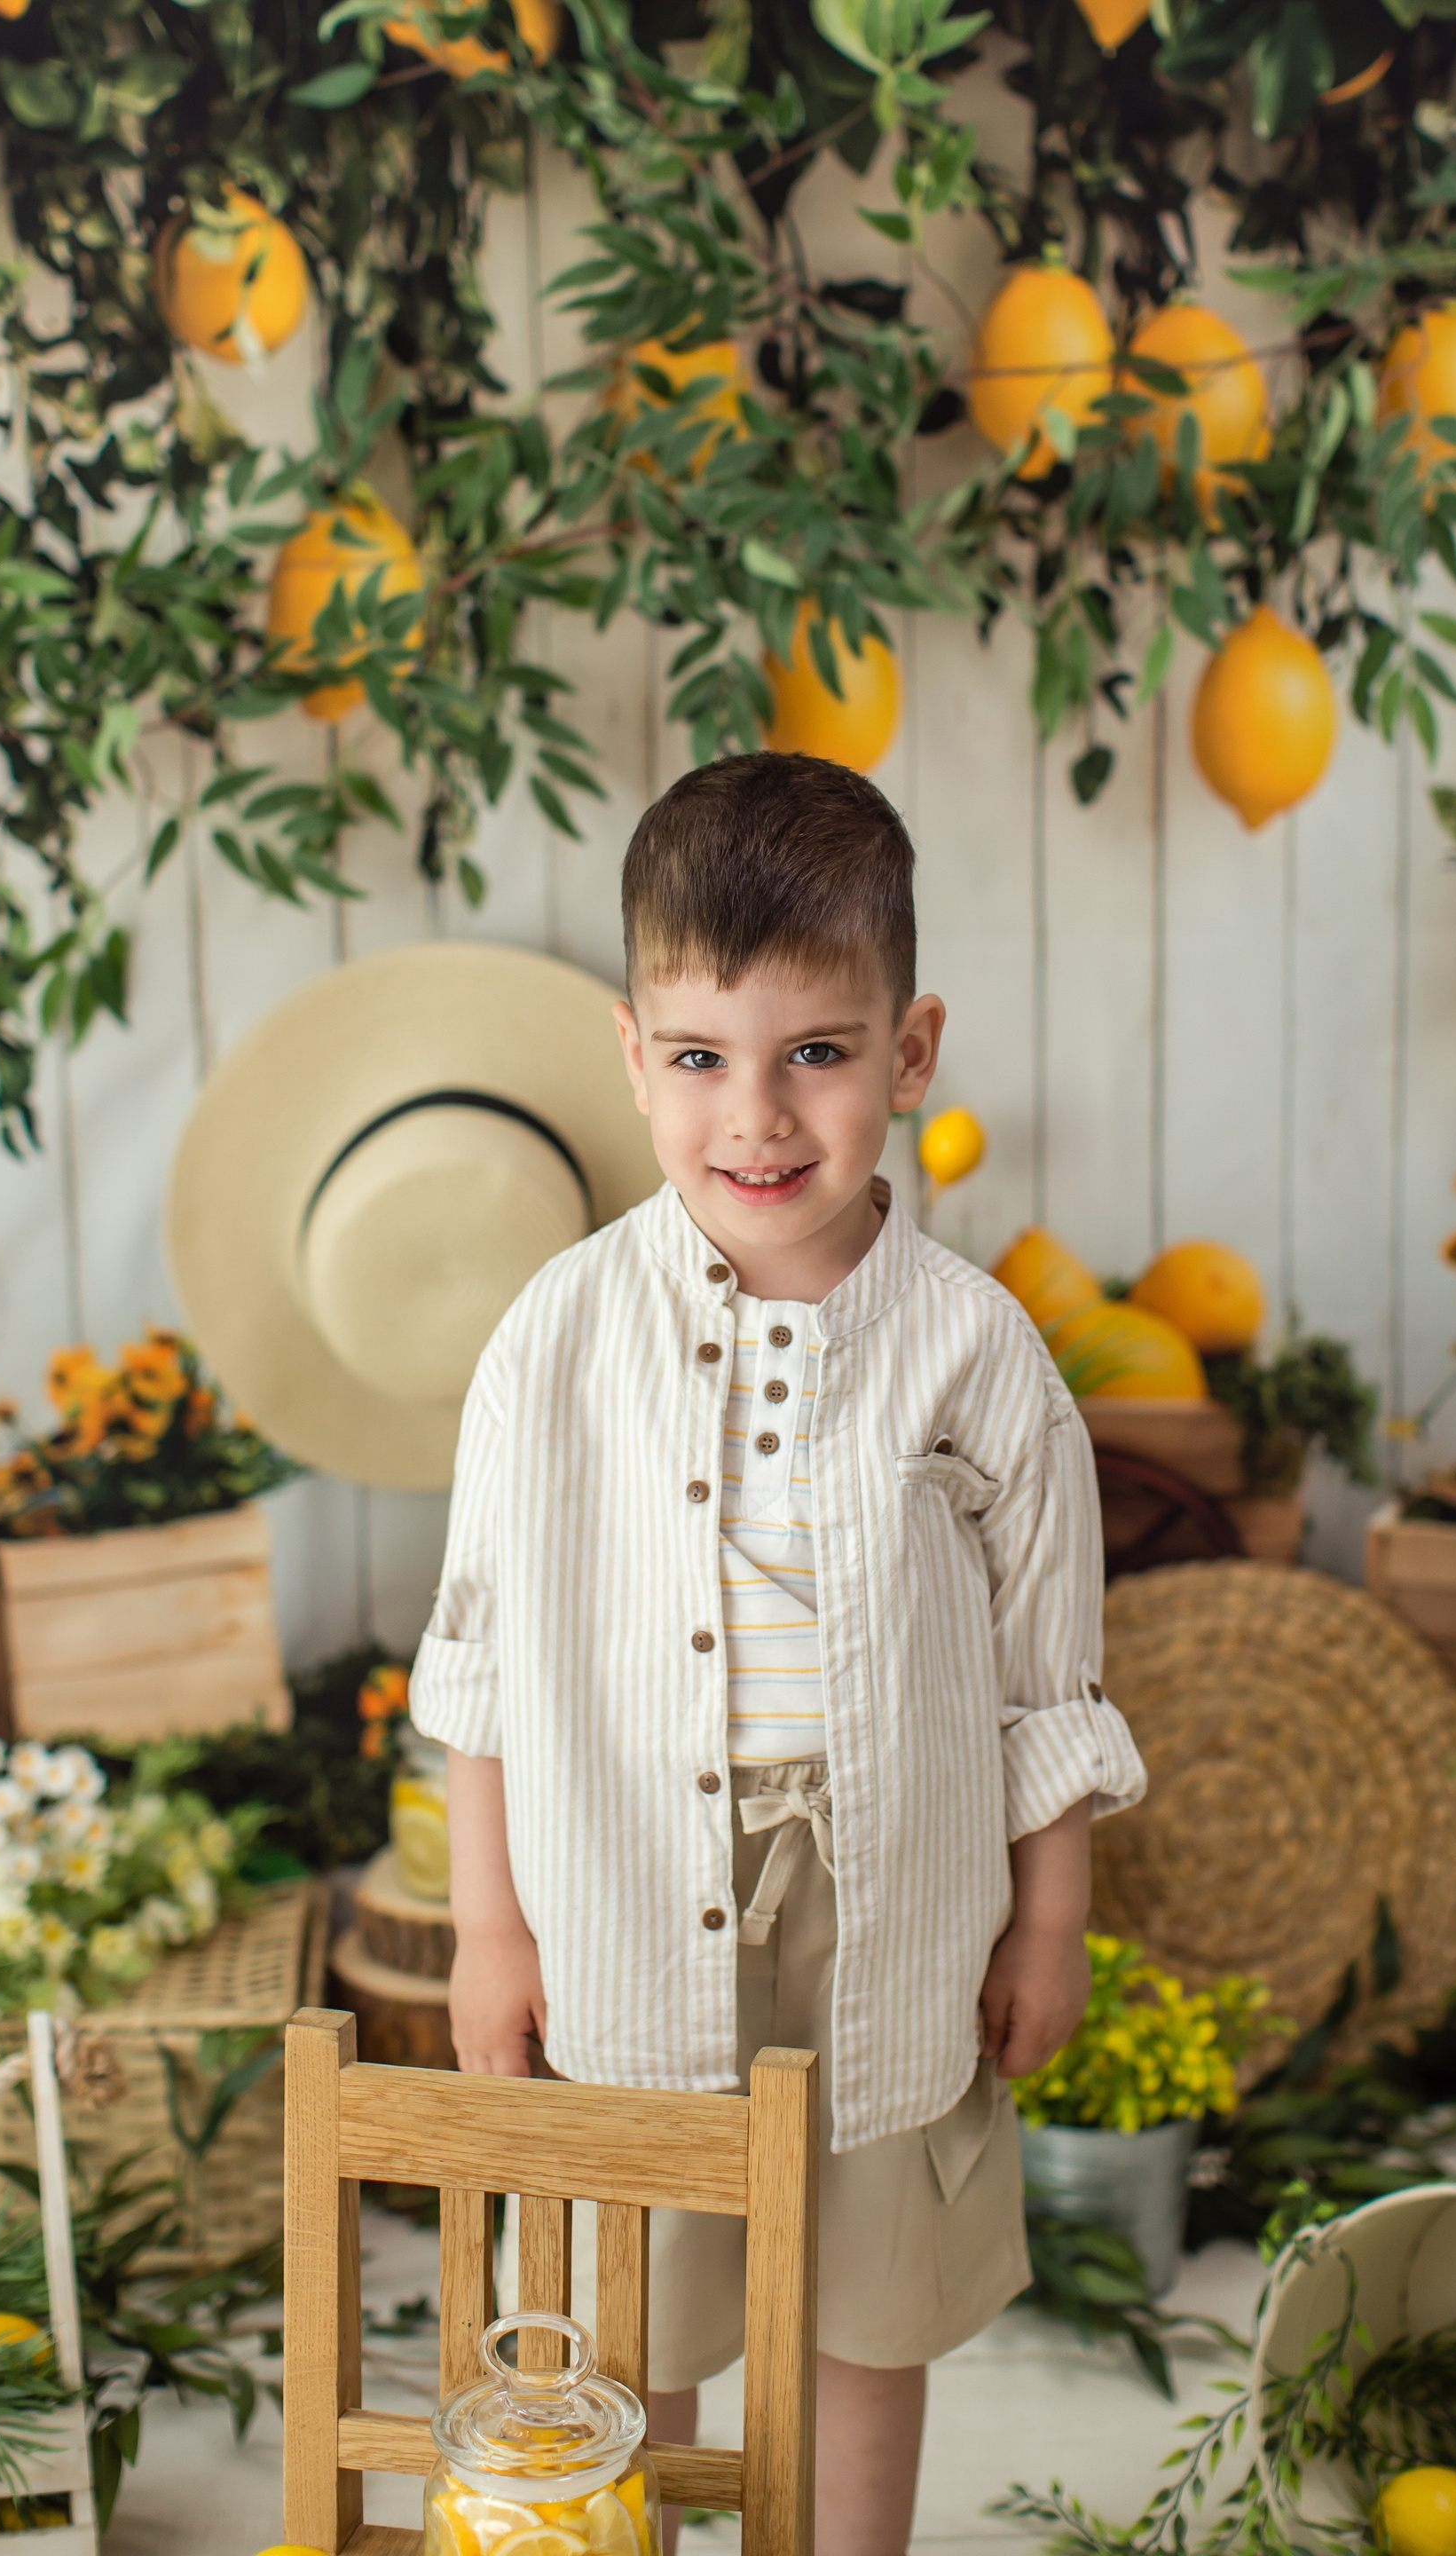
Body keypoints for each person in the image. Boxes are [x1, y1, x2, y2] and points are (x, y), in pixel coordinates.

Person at [408, 749, 1146, 2556]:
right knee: (631, 2312)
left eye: (815, 1052)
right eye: (699, 1058)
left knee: (864, 2307)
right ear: (631, 1053)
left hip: (899, 1903)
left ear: (910, 1051)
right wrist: (494, 1929)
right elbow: (482, 1662)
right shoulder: (556, 1337)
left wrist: (1047, 1920)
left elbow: (1046, 1680)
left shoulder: (976, 1353)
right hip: (618, 1887)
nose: (756, 1118)